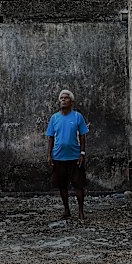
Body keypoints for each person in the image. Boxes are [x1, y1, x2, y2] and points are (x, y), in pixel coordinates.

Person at [46, 89, 89, 219]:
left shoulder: (77, 117)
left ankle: (81, 211)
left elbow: (82, 135)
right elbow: (51, 137)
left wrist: (82, 153)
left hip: (75, 157)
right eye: (61, 98)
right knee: (62, 184)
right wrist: (49, 155)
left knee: (78, 184)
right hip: (59, 156)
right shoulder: (54, 118)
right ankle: (66, 210)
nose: (63, 100)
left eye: (66, 98)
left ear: (71, 101)